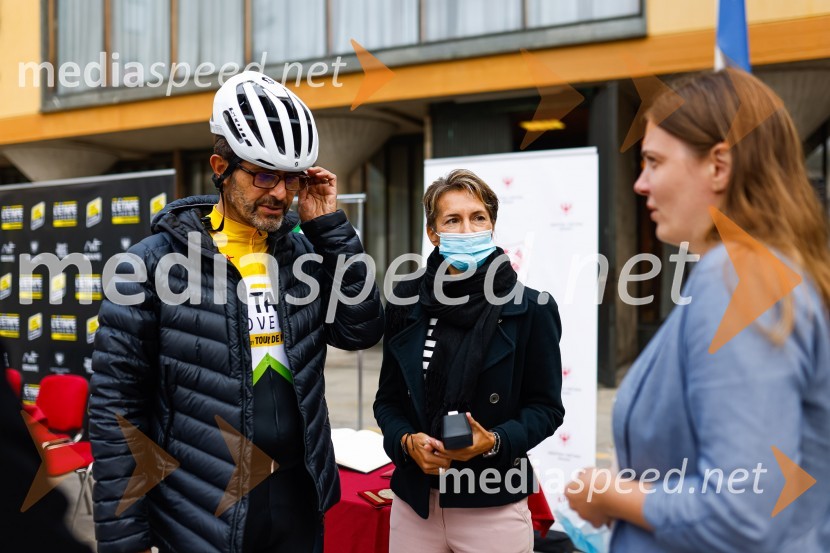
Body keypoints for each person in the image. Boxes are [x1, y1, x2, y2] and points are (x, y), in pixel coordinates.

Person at [89, 71, 384, 553]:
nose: (280, 193)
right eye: (263, 174)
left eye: (290, 177)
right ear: (220, 167)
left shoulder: (302, 254)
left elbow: (361, 329)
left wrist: (330, 227)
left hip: (297, 497)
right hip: (201, 510)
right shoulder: (150, 265)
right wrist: (126, 539)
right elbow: (116, 412)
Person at [566, 68, 830, 552]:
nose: (640, 184)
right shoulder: (766, 272)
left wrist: (609, 494)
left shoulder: (739, 277)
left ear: (719, 167)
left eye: (653, 162)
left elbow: (742, 509)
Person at [374, 169, 565, 553]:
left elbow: (546, 409)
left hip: (492, 503)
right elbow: (388, 401)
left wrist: (493, 442)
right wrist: (407, 443)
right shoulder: (405, 301)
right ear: (433, 233)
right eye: (453, 220)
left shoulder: (531, 308)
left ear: (492, 224)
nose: (468, 228)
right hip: (416, 506)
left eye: (478, 217)